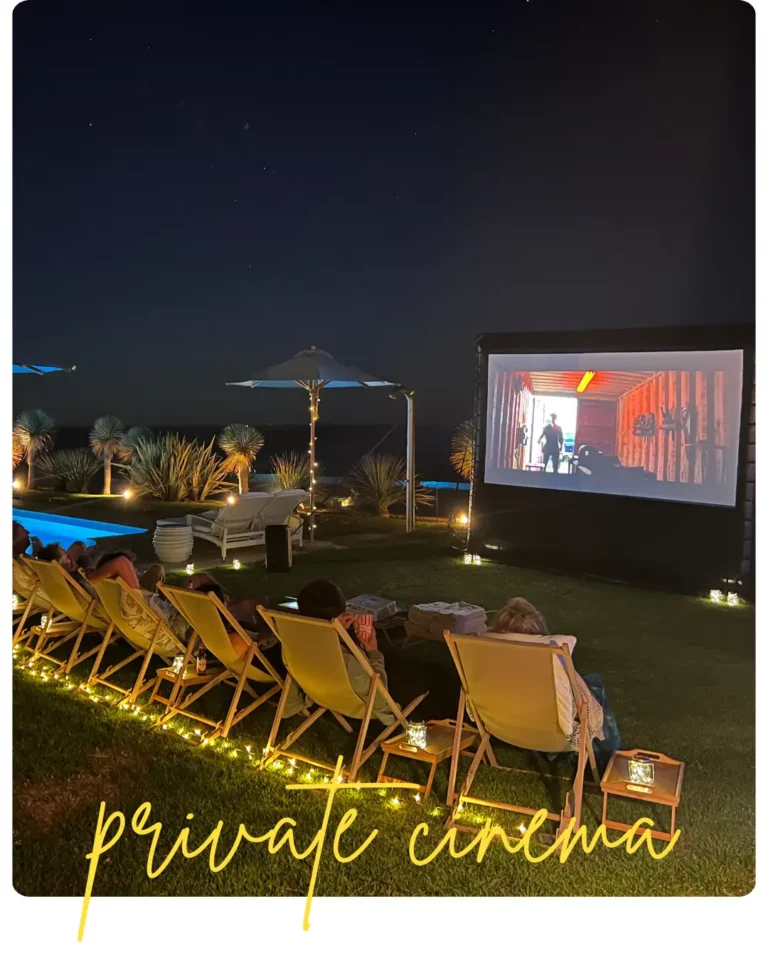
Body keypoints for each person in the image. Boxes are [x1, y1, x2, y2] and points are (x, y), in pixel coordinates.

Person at [485, 597, 621, 773]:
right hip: (550, 733)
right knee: (593, 683)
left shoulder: (486, 657)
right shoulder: (547, 660)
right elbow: (586, 707)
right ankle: (611, 754)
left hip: (502, 725)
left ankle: (566, 753)